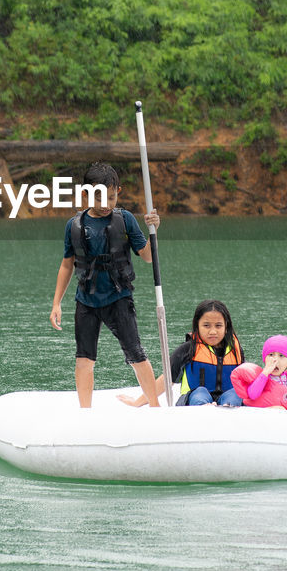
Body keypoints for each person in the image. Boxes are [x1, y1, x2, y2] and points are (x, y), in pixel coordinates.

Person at [50, 162, 160, 408]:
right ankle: (85, 412)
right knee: (84, 360)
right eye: (99, 197)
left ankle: (155, 407)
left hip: (118, 298)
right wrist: (56, 303)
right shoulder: (74, 226)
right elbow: (67, 265)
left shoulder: (125, 220)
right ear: (85, 194)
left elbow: (148, 256)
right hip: (86, 300)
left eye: (111, 197)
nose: (106, 204)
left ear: (118, 192)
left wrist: (154, 231)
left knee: (136, 354)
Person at [118, 299, 246, 407]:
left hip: (226, 401)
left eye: (218, 326)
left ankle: (228, 410)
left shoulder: (235, 350)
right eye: (206, 325)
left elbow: (247, 380)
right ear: (197, 326)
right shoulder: (187, 349)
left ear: (226, 326)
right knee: (200, 392)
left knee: (235, 394)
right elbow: (166, 380)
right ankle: (205, 409)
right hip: (192, 400)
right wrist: (138, 402)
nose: (213, 331)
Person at [230, 335, 287, 409]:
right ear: (264, 358)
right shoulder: (261, 377)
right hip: (261, 415)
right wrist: (265, 373)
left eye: (281, 356)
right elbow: (252, 395)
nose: (275, 360)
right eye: (271, 355)